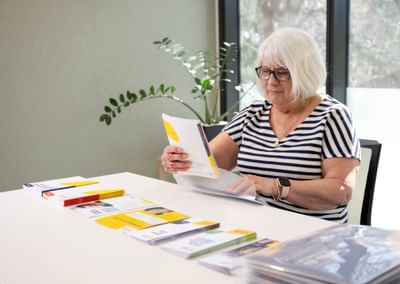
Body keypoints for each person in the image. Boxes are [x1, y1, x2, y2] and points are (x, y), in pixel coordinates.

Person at [161, 27, 360, 223]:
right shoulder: (252, 114)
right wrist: (182, 160)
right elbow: (208, 165)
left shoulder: (333, 116)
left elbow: (341, 191)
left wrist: (276, 186)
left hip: (312, 233)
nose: (270, 81)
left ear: (305, 72)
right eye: (265, 71)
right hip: (256, 226)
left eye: (282, 72)